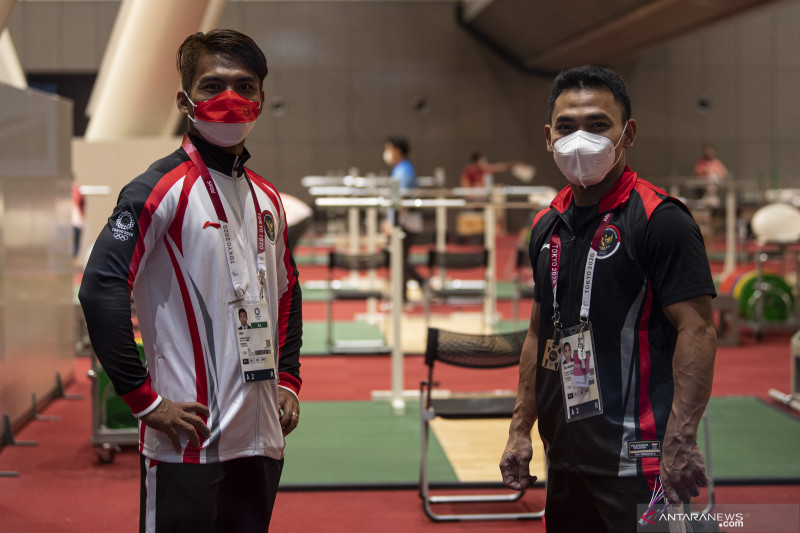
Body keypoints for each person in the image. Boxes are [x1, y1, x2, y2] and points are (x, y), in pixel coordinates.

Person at [79, 29, 303, 532]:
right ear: (184, 99)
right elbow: (99, 288)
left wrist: (288, 378)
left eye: (245, 86)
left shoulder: (268, 198)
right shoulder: (157, 189)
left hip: (262, 433)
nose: (230, 98)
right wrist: (141, 399)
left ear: (261, 99)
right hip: (187, 440)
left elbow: (288, 291)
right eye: (212, 85)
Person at [499, 65, 717, 532]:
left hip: (641, 460)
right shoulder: (547, 225)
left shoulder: (661, 219)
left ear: (628, 133)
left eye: (598, 125)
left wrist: (681, 436)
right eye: (566, 127)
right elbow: (540, 333)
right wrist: (521, 428)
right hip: (567, 455)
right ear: (548, 137)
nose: (581, 139)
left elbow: (697, 329)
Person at [383, 135, 423, 302]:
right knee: (399, 259)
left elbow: (401, 200)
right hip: (403, 222)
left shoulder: (404, 170)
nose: (386, 153)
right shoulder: (400, 169)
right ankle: (418, 285)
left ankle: (402, 298)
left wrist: (391, 222)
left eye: (388, 149)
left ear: (397, 151)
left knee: (399, 259)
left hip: (406, 223)